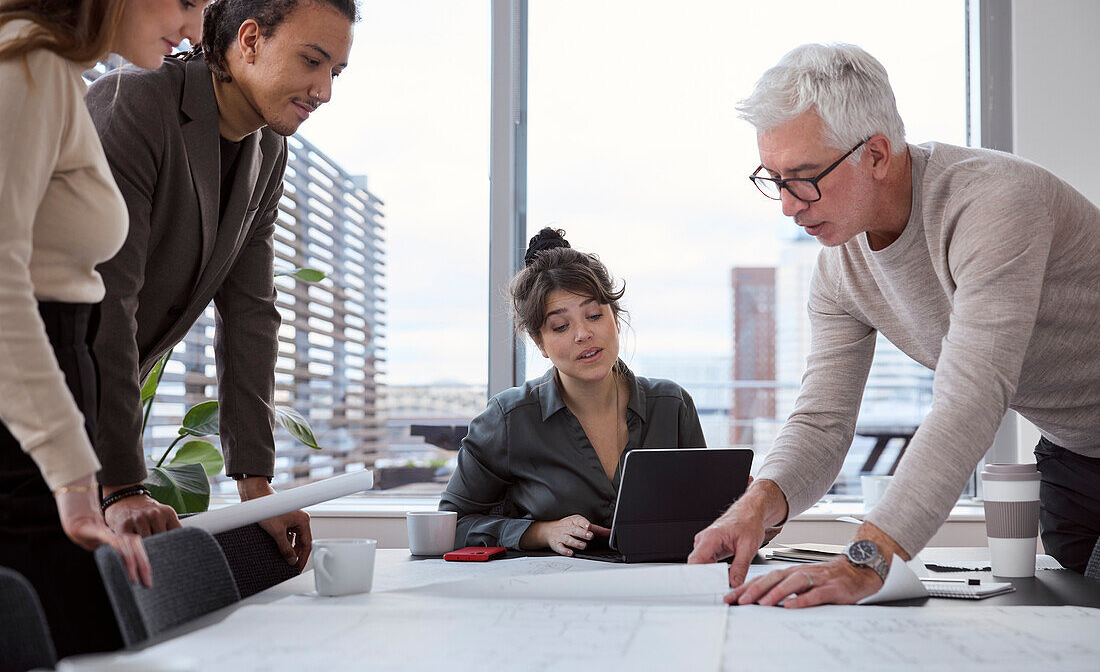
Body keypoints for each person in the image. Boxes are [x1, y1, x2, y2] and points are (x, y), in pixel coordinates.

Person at [687, 43, 1100, 607]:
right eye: (775, 178)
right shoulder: (840, 268)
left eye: (805, 177)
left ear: (876, 155)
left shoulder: (995, 203)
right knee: (1071, 606)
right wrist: (755, 507)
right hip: (1077, 450)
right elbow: (822, 422)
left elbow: (973, 395)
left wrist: (870, 556)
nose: (787, 205)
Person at [84, 0, 359, 572]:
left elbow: (251, 316)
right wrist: (122, 486)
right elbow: (106, 305)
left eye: (335, 73)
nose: (322, 90)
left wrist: (255, 485)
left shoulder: (266, 151)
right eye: (312, 61)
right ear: (251, 40)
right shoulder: (139, 102)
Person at [0, 0, 222, 657]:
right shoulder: (28, 64)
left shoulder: (56, 74)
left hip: (51, 411)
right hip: (24, 431)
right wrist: (72, 477)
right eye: (187, 0)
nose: (194, 31)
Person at [440, 228, 706, 555]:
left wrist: (747, 509)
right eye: (561, 326)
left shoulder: (672, 406)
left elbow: (704, 521)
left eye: (594, 315)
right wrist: (539, 532)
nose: (583, 334)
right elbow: (451, 524)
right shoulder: (507, 419)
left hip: (662, 591)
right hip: (551, 596)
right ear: (540, 343)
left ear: (616, 319)